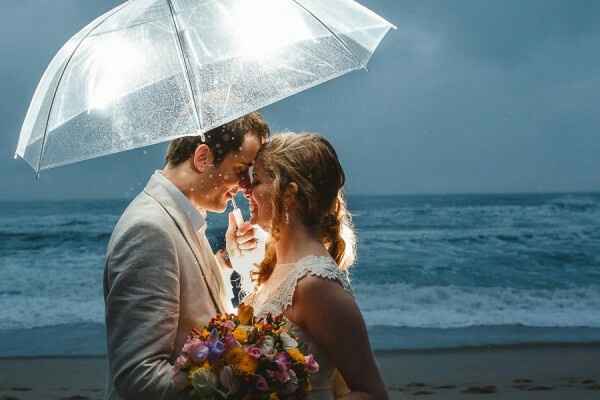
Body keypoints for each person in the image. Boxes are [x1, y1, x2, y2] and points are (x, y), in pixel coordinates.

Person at [103, 112, 269, 400]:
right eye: (242, 169)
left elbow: (188, 302)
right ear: (203, 157)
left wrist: (229, 262)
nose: (246, 186)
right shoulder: (149, 229)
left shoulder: (180, 216)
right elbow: (138, 377)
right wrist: (237, 387)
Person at [242, 133, 388, 400]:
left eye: (257, 181)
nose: (248, 191)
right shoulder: (277, 267)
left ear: (288, 195)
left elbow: (372, 393)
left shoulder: (316, 285)